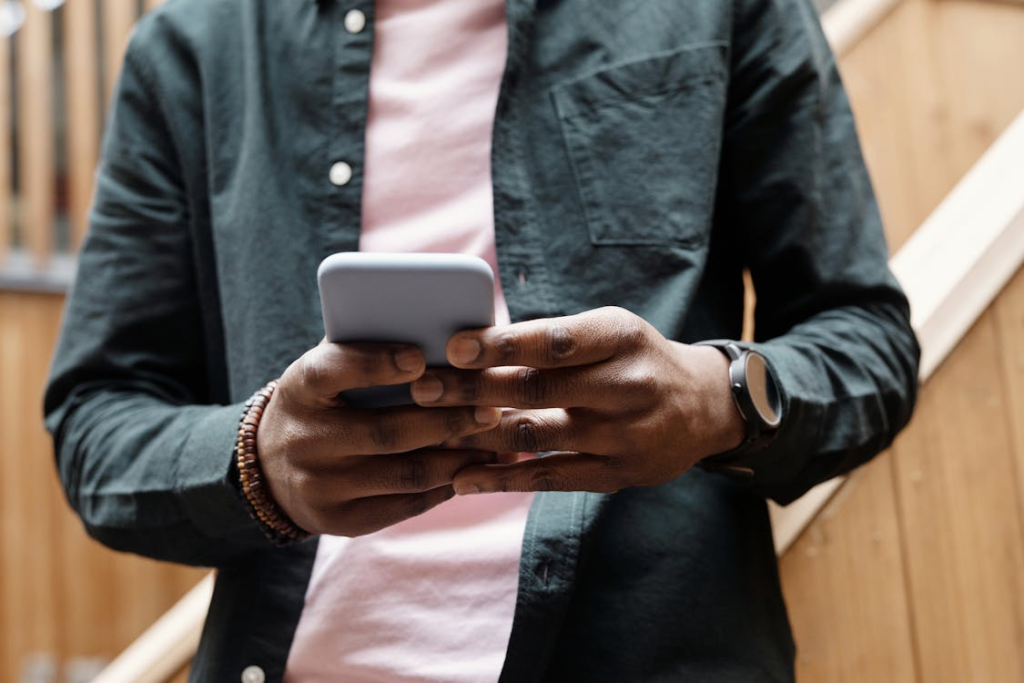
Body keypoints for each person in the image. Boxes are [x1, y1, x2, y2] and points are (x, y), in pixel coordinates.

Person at [44, 0, 920, 680]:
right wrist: (257, 463)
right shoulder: (191, 47)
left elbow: (868, 342)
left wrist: (720, 398)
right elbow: (96, 425)